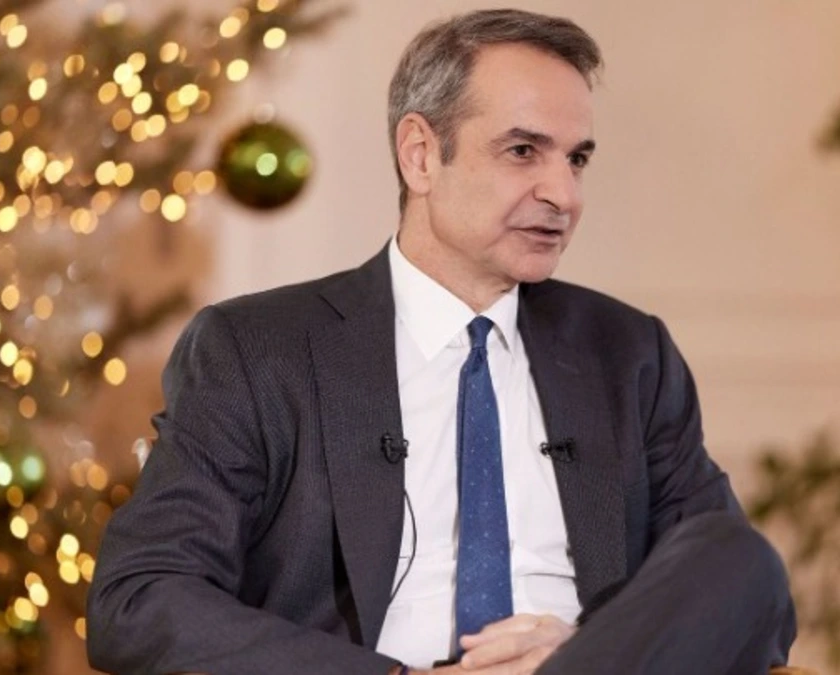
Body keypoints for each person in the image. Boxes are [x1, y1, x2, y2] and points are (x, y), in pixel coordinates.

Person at [86, 9, 795, 675]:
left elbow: (749, 607)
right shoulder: (258, 349)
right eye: (524, 151)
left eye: (576, 159)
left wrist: (582, 652)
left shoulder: (628, 353)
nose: (564, 194)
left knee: (737, 557)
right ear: (420, 155)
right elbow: (139, 598)